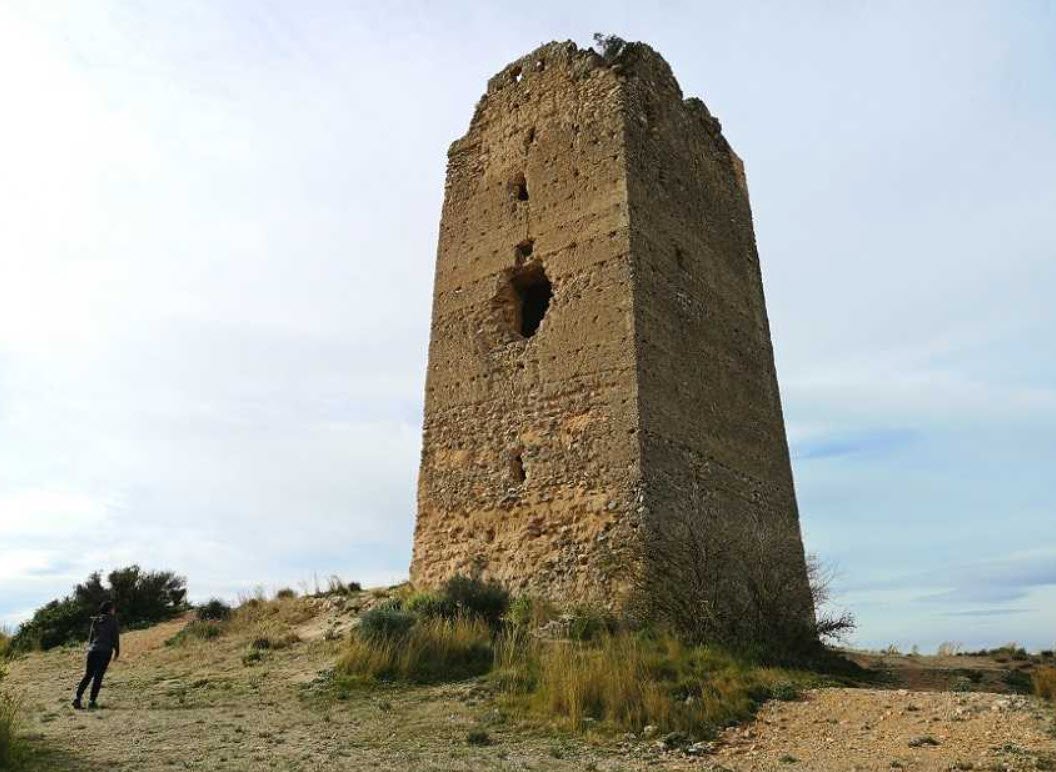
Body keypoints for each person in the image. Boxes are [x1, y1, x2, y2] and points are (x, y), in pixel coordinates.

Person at [72, 600, 120, 710]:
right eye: (113, 608)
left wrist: (90, 648)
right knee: (98, 676)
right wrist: (117, 651)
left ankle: (77, 698)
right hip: (105, 651)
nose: (114, 610)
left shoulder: (96, 620)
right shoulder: (113, 620)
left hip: (93, 651)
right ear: (110, 609)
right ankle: (92, 701)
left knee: (88, 675)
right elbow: (115, 637)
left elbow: (91, 638)